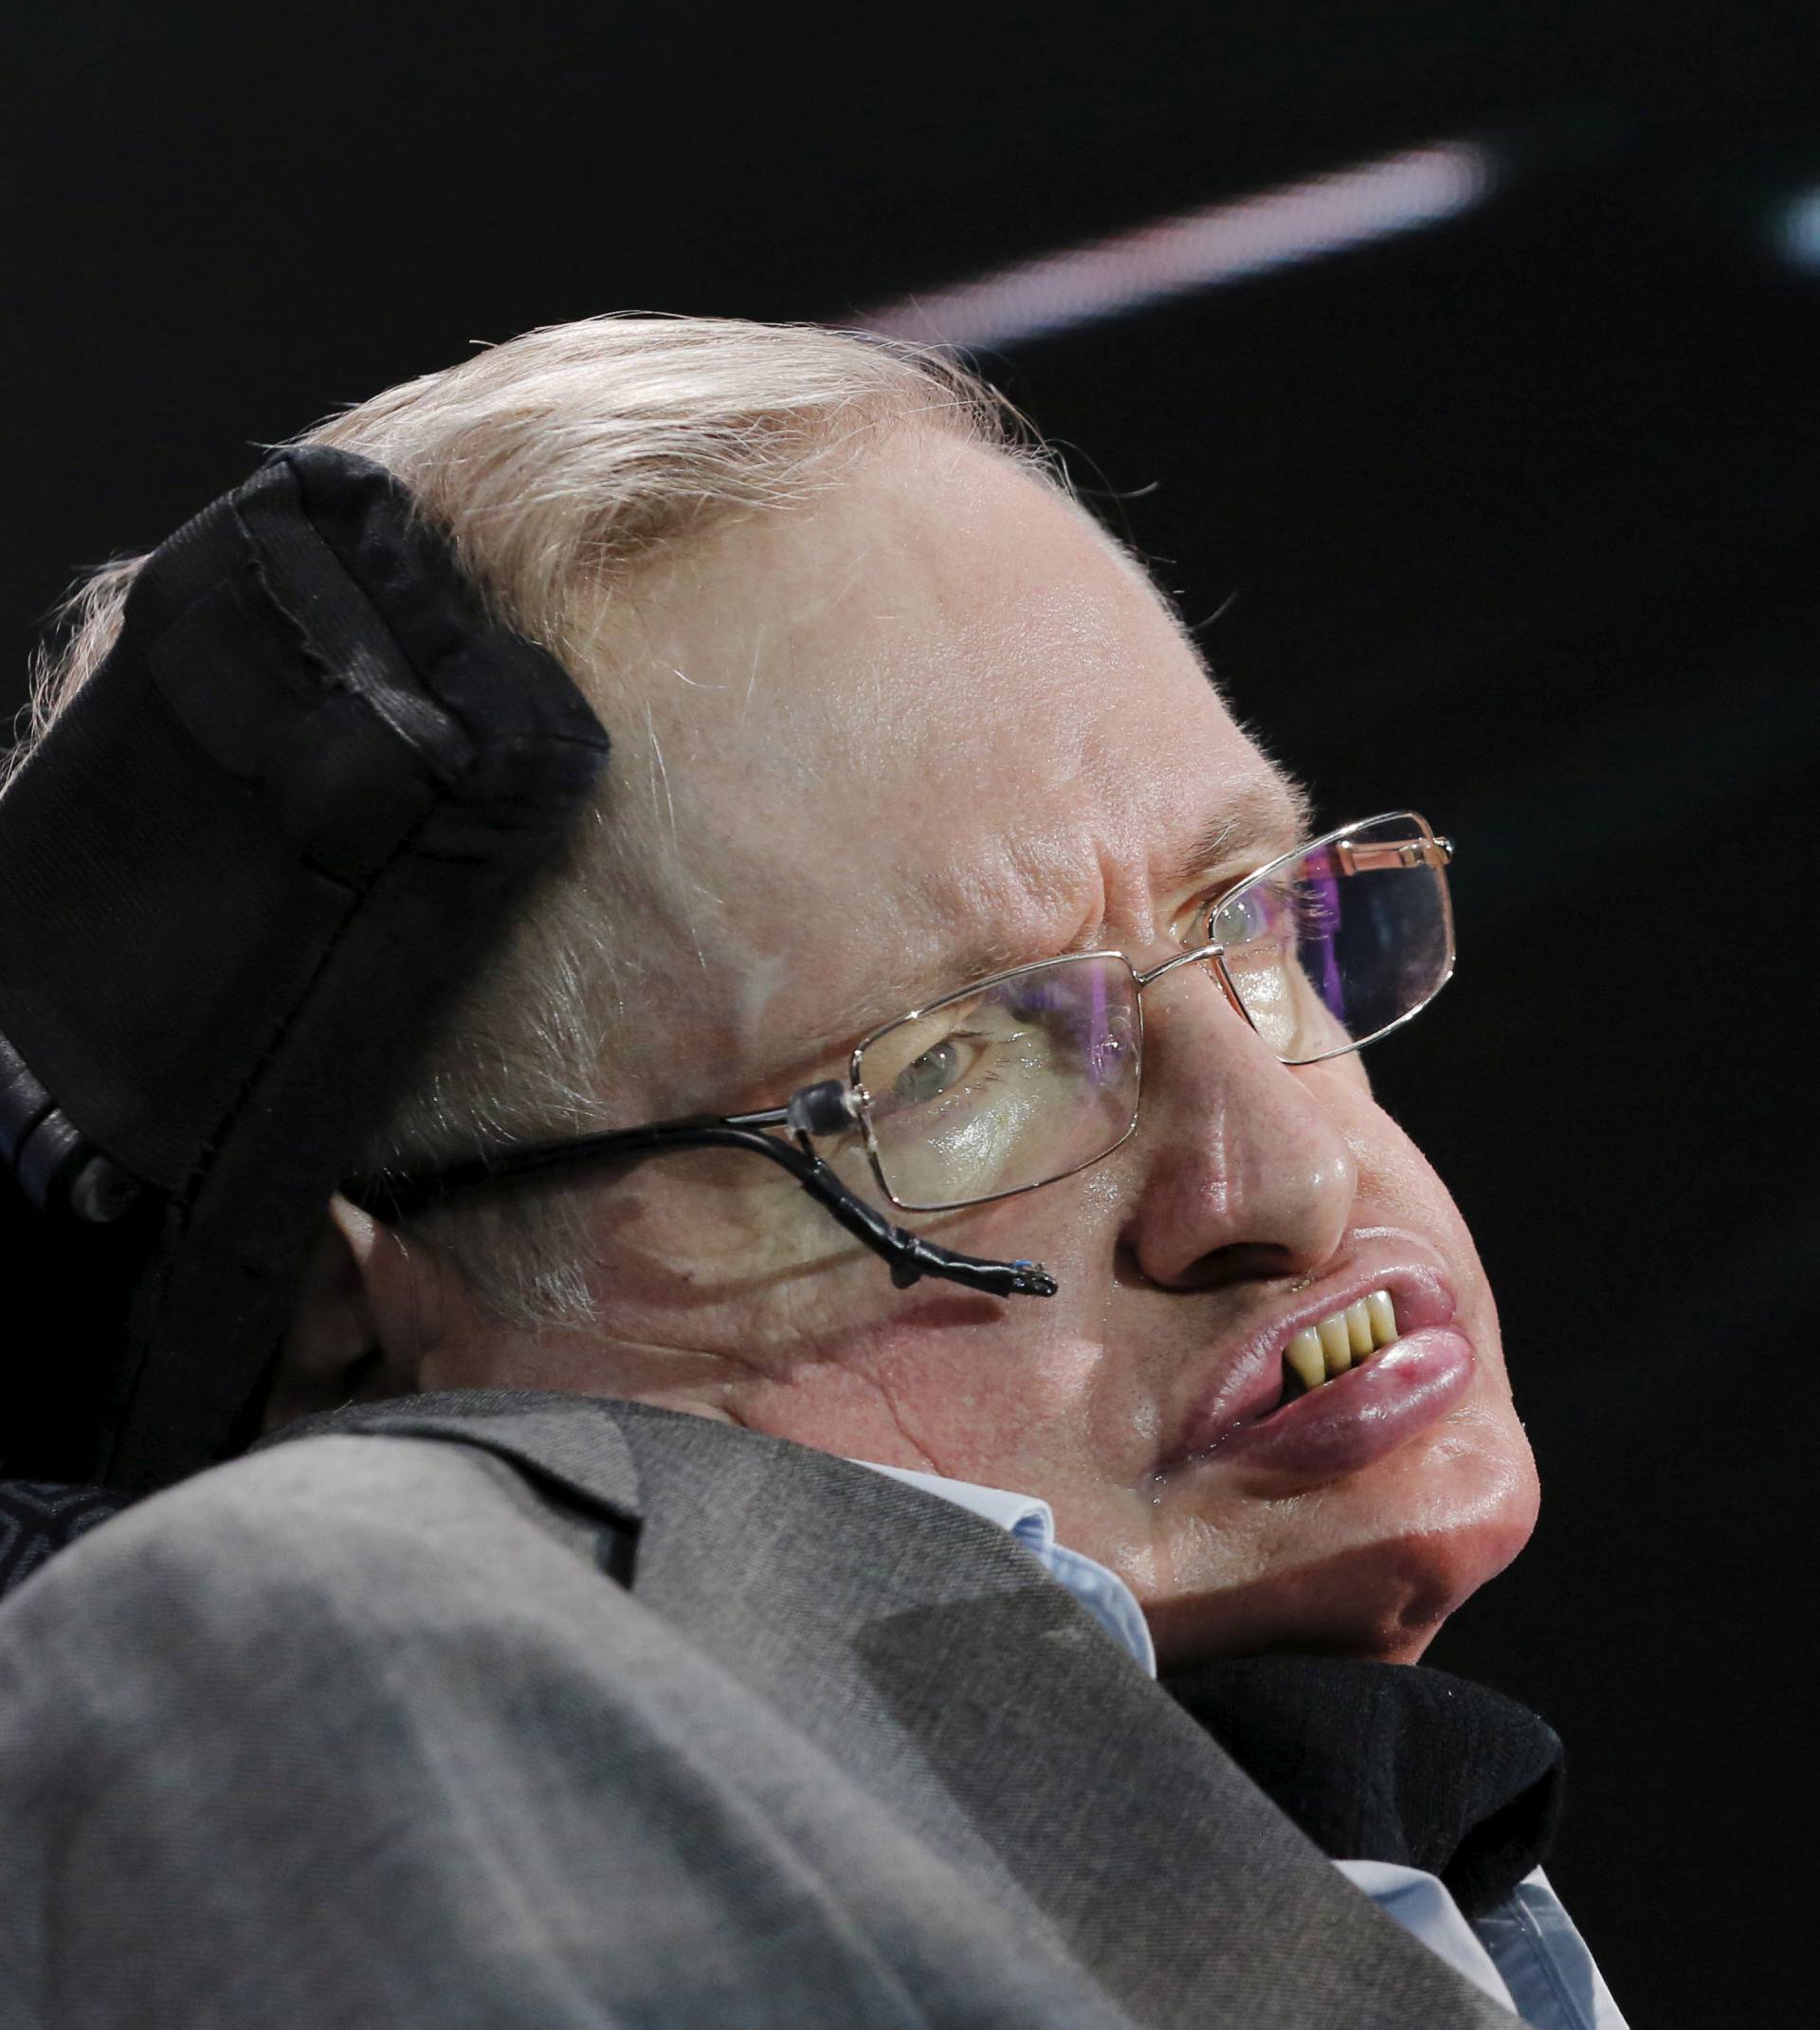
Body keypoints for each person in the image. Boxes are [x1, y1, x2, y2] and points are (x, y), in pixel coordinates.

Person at [0, 317, 1624, 2027]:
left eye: (1259, 925)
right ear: (360, 1301)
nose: (1283, 1176)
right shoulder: (309, 1649)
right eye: (946, 1072)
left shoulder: (1286, 1839)